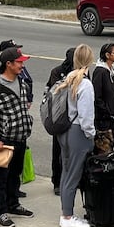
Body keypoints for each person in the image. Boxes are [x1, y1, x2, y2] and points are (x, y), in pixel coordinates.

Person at [0, 47, 35, 227]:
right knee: (0, 178)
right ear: (8, 64)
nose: (22, 65)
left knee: (15, 174)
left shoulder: (22, 82)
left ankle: (13, 204)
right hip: (4, 140)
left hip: (20, 138)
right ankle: (0, 211)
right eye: (19, 62)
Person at [56, 44, 95, 227]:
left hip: (64, 130)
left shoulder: (68, 79)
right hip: (78, 131)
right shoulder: (85, 84)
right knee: (74, 174)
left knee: (66, 172)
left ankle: (65, 211)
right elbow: (86, 116)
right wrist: (92, 135)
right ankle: (67, 216)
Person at [45, 47, 76, 196]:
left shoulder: (81, 71)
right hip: (59, 117)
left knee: (72, 152)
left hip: (74, 118)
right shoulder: (57, 71)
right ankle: (57, 181)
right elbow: (54, 93)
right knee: (58, 150)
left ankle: (70, 180)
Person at [89, 42, 114, 154]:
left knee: (111, 148)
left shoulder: (110, 71)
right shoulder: (100, 72)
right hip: (103, 121)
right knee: (104, 150)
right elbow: (97, 96)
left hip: (110, 119)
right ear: (107, 55)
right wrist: (107, 112)